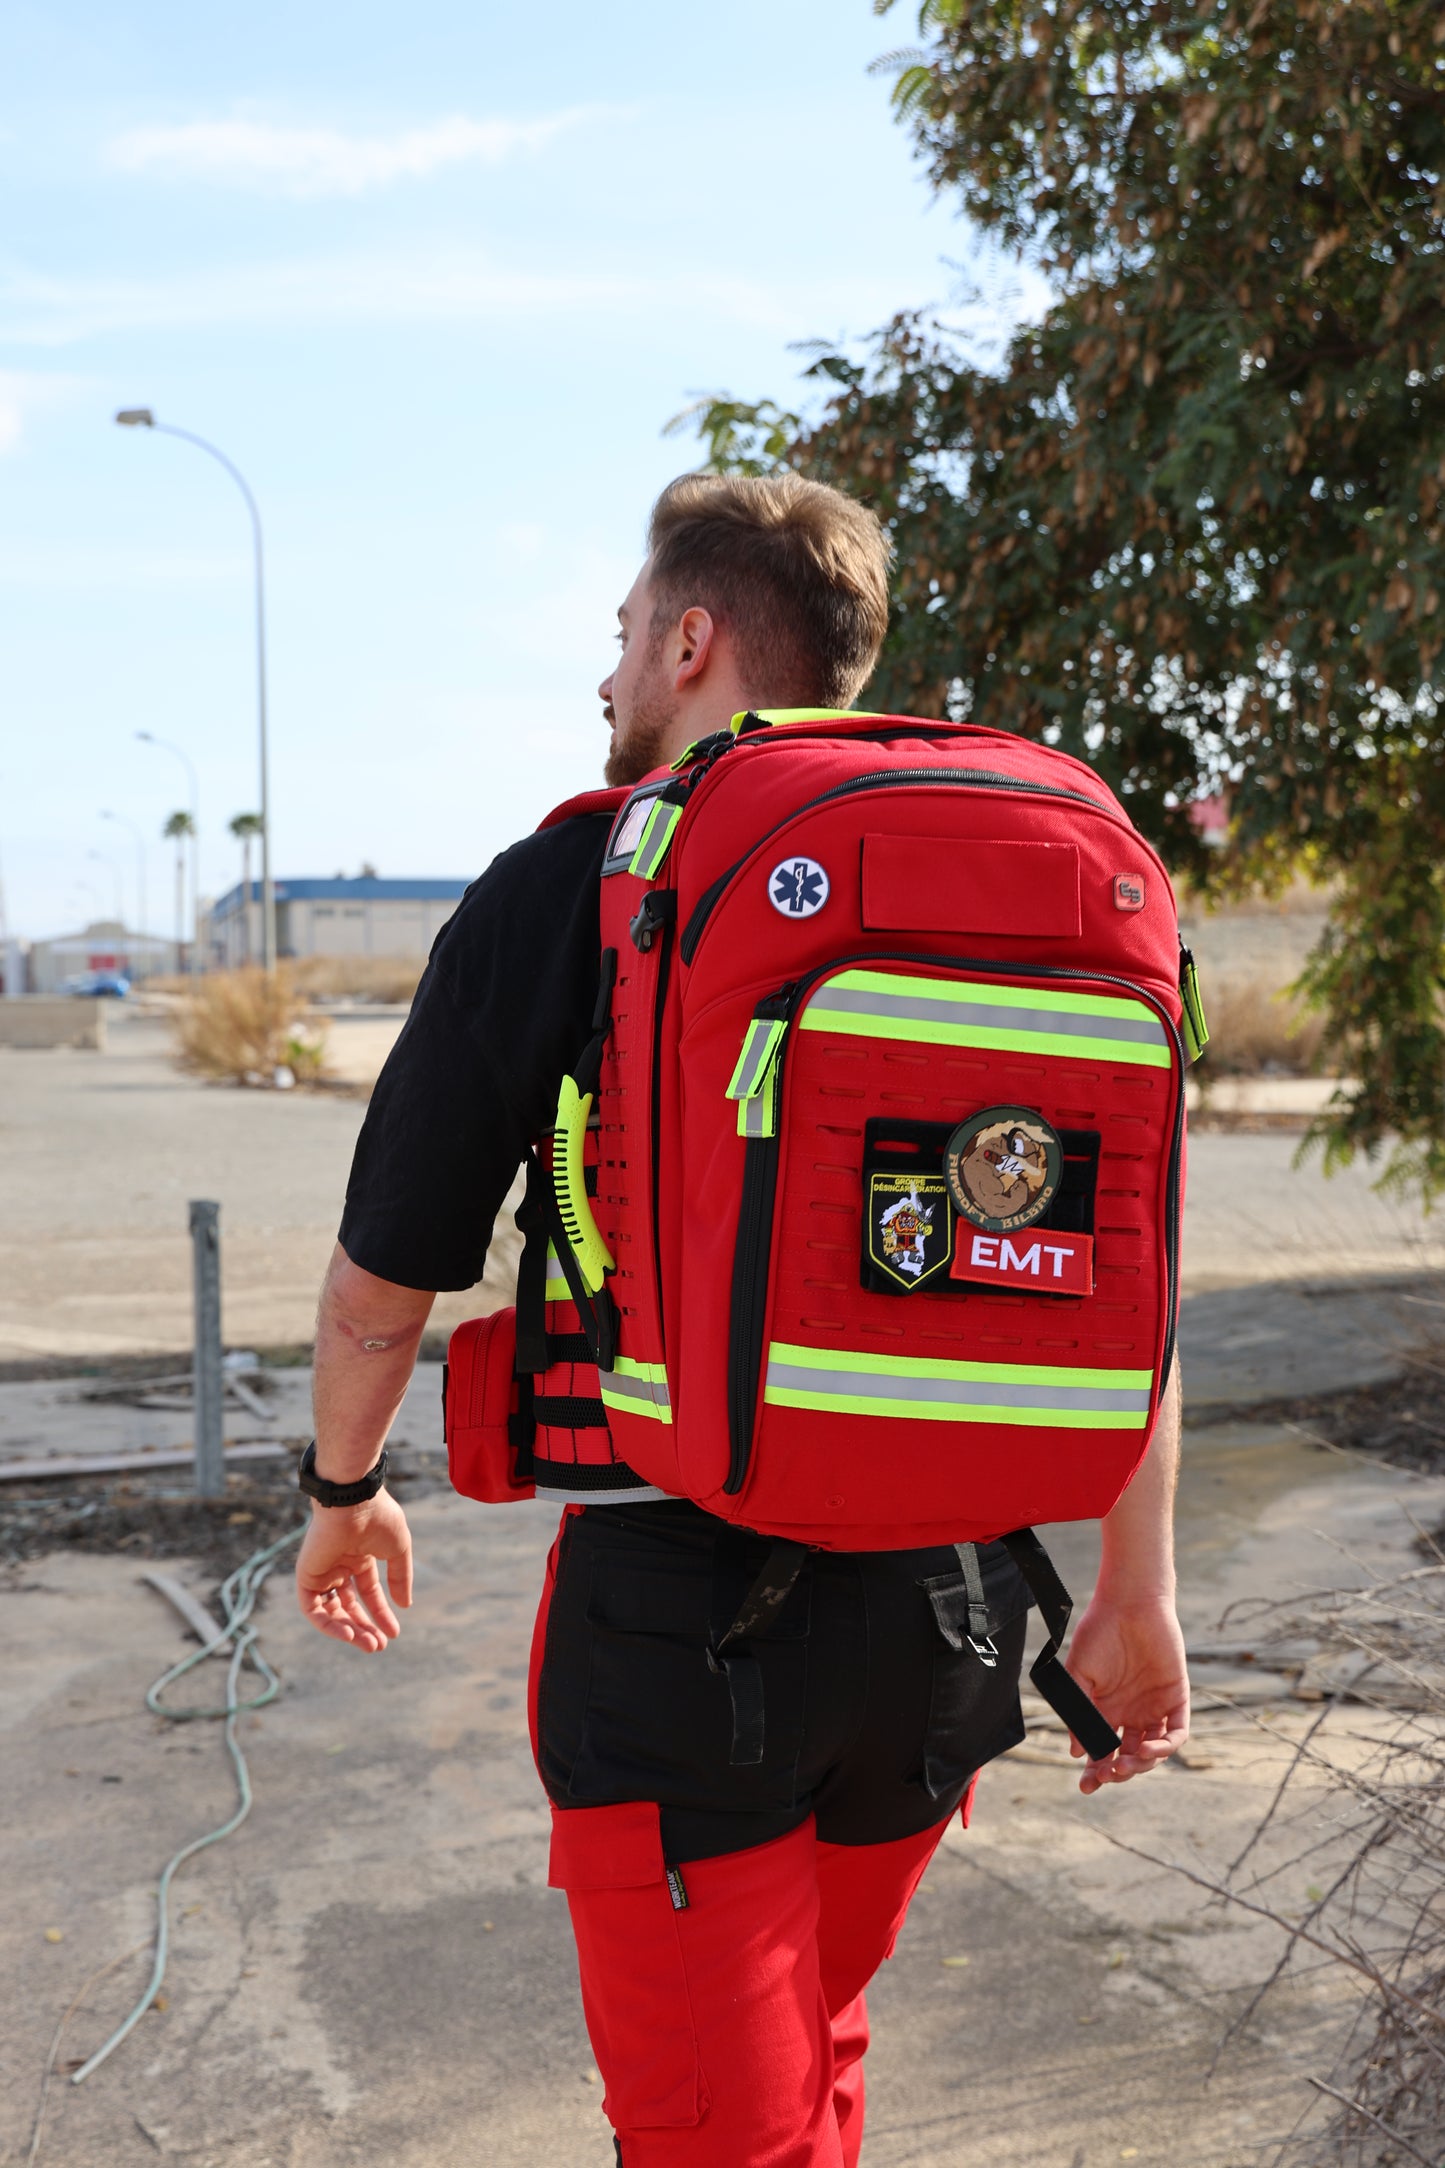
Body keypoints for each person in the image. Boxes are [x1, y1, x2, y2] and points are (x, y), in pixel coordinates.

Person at [295, 472, 1190, 2167]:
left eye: (629, 635)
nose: (615, 669)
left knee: (719, 2138)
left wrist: (346, 1497)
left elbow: (385, 1280)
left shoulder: (566, 883)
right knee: (815, 2057)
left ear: (691, 638)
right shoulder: (1035, 873)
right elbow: (1124, 1281)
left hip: (677, 1620)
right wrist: (1135, 1593)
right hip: (950, 1611)